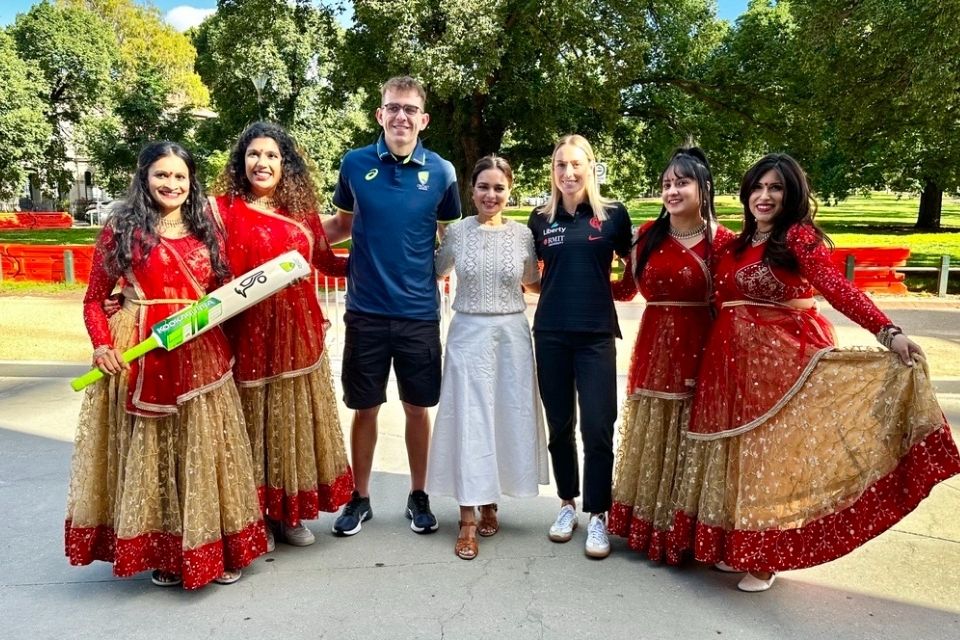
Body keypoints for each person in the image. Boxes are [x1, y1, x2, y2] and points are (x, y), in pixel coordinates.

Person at [675, 153, 960, 591]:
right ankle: (741, 547)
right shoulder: (737, 244)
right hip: (729, 368)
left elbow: (838, 288)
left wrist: (888, 331)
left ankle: (765, 559)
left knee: (770, 461)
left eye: (776, 188)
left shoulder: (797, 239)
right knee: (738, 460)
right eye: (758, 187)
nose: (764, 196)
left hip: (782, 367)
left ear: (791, 196)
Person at [65, 141, 267, 589]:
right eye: (162, 175)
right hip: (141, 352)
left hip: (200, 351)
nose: (171, 184)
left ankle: (215, 550)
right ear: (144, 177)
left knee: (205, 449)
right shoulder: (122, 228)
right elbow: (94, 300)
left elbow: (227, 295)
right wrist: (101, 346)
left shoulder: (206, 228)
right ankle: (165, 552)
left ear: (191, 181)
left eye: (180, 176)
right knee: (155, 454)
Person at [323, 76, 462, 536]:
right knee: (364, 409)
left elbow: (453, 238)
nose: (400, 116)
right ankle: (360, 498)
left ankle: (417, 495)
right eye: (392, 108)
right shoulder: (355, 163)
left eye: (409, 109)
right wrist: (287, 238)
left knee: (417, 409)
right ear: (380, 114)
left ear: (423, 119)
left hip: (419, 314)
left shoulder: (441, 172)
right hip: (365, 311)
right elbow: (340, 225)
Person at [209, 122, 353, 550]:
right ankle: (253, 520)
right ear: (241, 161)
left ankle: (288, 515)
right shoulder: (221, 210)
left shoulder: (300, 211)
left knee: (290, 425)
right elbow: (193, 259)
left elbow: (326, 261)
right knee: (251, 425)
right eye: (254, 154)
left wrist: (383, 259)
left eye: (272, 156)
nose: (262, 163)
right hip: (245, 335)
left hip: (298, 337)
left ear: (285, 164)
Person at [607, 148, 736, 563]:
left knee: (690, 437)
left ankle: (688, 534)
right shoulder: (648, 235)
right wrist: (566, 279)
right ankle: (649, 528)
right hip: (653, 344)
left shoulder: (724, 242)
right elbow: (626, 289)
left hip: (702, 346)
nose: (672, 190)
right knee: (655, 432)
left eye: (682, 182)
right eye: (667, 184)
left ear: (704, 188)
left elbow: (736, 301)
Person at [426, 155, 549, 560]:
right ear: (471, 190)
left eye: (498, 188)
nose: (490, 195)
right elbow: (436, 270)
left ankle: (490, 500)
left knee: (503, 417)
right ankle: (466, 517)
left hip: (512, 335)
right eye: (483, 187)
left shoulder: (523, 236)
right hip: (468, 334)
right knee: (469, 420)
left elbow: (532, 280)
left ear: (508, 190)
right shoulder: (457, 234)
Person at [527, 134, 633, 558]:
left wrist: (620, 292)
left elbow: (635, 268)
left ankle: (598, 515)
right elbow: (529, 275)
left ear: (591, 167)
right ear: (552, 172)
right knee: (560, 427)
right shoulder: (539, 220)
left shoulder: (613, 216)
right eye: (559, 166)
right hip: (551, 332)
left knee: (597, 427)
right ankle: (567, 503)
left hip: (595, 336)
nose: (568, 173)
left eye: (575, 164)